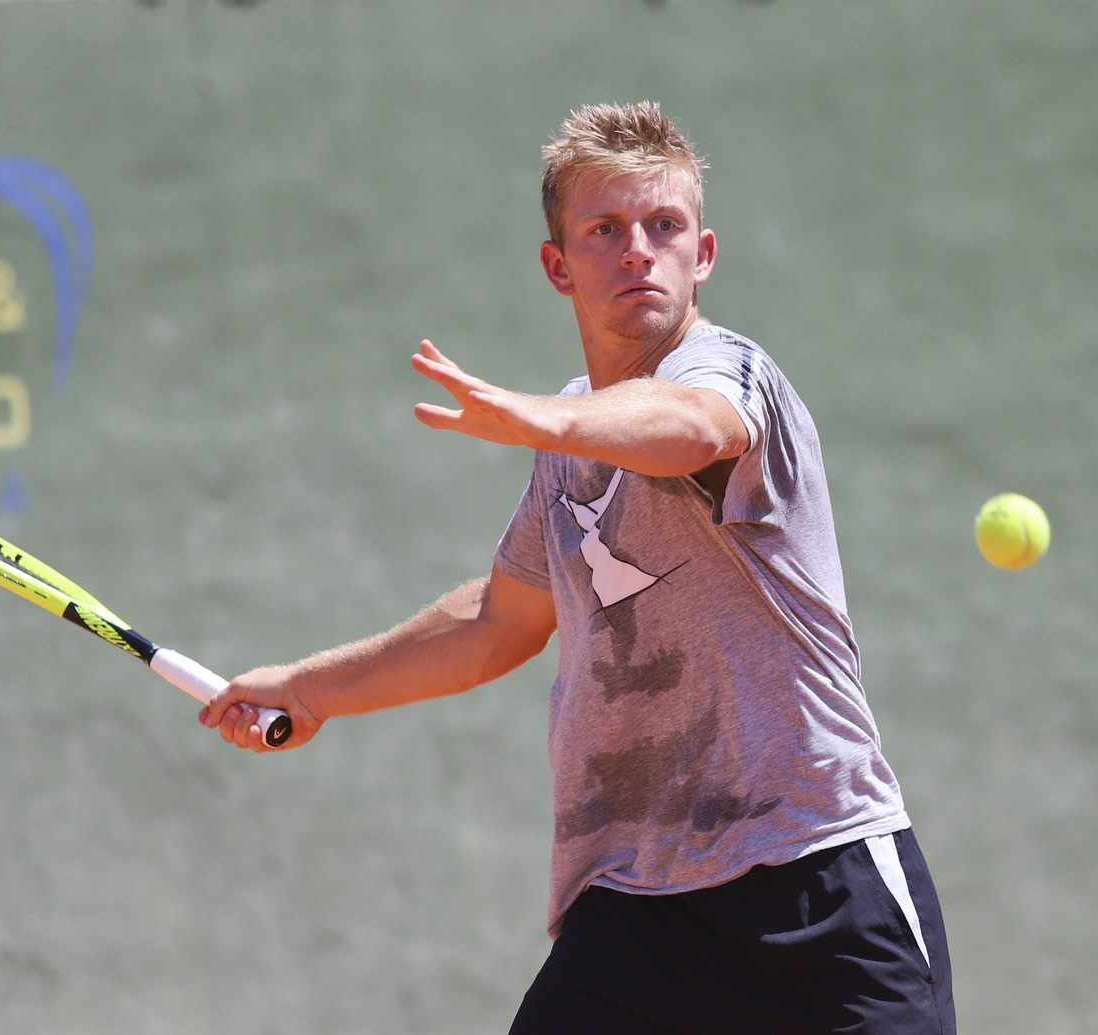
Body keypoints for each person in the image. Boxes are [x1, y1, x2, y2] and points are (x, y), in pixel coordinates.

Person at [200, 101, 955, 1034]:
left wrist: (545, 419)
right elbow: (500, 621)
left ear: (702, 255)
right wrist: (311, 688)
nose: (638, 250)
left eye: (663, 226)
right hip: (634, 910)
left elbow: (694, 429)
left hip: (817, 886)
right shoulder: (569, 438)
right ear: (559, 265)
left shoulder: (730, 376)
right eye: (605, 230)